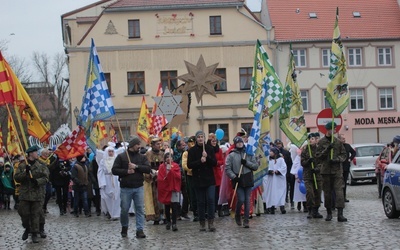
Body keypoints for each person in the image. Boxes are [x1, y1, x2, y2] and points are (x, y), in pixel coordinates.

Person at [112, 136, 151, 239]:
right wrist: (126, 171)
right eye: (138, 144)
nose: (139, 146)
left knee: (139, 209)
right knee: (124, 209)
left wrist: (136, 167)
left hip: (139, 187)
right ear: (132, 145)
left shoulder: (142, 157)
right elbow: (114, 170)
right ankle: (124, 227)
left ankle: (140, 230)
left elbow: (147, 169)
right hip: (126, 188)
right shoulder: (121, 157)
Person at [14, 145, 49, 243]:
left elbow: (46, 178)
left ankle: (35, 233)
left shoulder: (41, 165)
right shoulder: (22, 165)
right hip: (25, 194)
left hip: (37, 194)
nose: (37, 154)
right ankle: (27, 228)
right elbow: (16, 178)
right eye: (35, 152)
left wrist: (37, 181)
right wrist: (25, 172)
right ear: (30, 154)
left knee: (36, 214)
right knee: (23, 213)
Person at [315, 122, 348, 222]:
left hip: (337, 170)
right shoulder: (321, 142)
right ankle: (329, 212)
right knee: (327, 193)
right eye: (333, 129)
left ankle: (340, 213)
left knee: (339, 192)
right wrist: (327, 149)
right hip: (326, 171)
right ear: (328, 130)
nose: (334, 130)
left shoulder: (337, 142)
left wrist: (337, 160)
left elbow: (344, 155)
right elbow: (318, 156)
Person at [225, 136, 258, 228]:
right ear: (235, 144)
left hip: (248, 178)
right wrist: (234, 177)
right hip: (238, 179)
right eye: (238, 142)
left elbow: (255, 166)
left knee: (247, 200)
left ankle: (246, 220)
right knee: (241, 199)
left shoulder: (249, 154)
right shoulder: (231, 155)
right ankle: (237, 214)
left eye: (241, 142)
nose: (240, 144)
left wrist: (246, 163)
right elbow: (227, 168)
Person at [187, 130, 217, 232]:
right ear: (196, 138)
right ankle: (202, 223)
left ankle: (211, 222)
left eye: (202, 137)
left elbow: (214, 163)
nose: (200, 138)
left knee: (211, 200)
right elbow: (189, 165)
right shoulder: (192, 151)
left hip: (209, 179)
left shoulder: (209, 149)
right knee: (200, 202)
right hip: (198, 180)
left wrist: (207, 157)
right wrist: (200, 161)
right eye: (198, 137)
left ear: (204, 138)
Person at [301, 133, 323, 219]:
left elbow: (322, 162)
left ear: (316, 140)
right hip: (308, 175)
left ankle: (316, 210)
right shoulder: (305, 150)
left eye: (313, 139)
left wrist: (317, 169)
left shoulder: (319, 150)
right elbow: (302, 162)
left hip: (317, 175)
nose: (311, 140)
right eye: (309, 139)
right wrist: (308, 161)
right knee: (310, 193)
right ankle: (310, 210)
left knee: (317, 192)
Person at [157, 152, 181, 231]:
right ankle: (168, 221)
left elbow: (178, 176)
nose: (168, 158)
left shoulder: (176, 166)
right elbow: (160, 178)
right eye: (166, 157)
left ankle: (174, 223)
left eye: (170, 157)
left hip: (173, 188)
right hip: (166, 189)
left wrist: (171, 171)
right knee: (167, 207)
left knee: (174, 206)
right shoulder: (161, 167)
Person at [97, 146, 121, 220]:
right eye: (109, 151)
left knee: (116, 197)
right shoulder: (103, 161)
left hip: (116, 179)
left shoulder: (117, 160)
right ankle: (110, 212)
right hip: (107, 180)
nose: (111, 153)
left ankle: (116, 214)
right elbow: (100, 172)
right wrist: (102, 183)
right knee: (107, 197)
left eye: (112, 151)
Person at [144, 137, 164, 224]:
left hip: (162, 178)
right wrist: (152, 173)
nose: (159, 146)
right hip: (153, 179)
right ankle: (156, 217)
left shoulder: (162, 154)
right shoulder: (147, 154)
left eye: (160, 144)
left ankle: (165, 215)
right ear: (152, 145)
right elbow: (146, 166)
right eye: (157, 144)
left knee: (163, 197)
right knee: (154, 198)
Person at [262, 147, 287, 214]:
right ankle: (272, 207)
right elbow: (266, 167)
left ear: (275, 152)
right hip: (271, 180)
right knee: (272, 193)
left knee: (280, 192)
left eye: (271, 151)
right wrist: (270, 171)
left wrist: (278, 171)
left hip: (279, 180)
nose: (270, 152)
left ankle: (282, 206)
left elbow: (284, 168)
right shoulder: (269, 160)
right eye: (270, 151)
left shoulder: (281, 159)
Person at [207, 133, 225, 217]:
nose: (214, 142)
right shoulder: (207, 149)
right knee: (212, 193)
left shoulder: (219, 150)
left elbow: (222, 161)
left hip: (217, 173)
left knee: (219, 192)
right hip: (210, 172)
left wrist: (217, 163)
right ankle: (212, 209)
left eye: (215, 141)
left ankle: (219, 208)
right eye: (212, 141)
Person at [182, 136, 198, 221]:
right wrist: (193, 169)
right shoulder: (186, 153)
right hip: (191, 176)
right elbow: (185, 165)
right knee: (192, 194)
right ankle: (195, 211)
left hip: (200, 175)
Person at [274, 139, 294, 209]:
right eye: (277, 144)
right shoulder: (274, 153)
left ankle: (287, 200)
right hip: (277, 174)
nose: (278, 145)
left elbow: (289, 163)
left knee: (286, 187)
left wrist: (289, 172)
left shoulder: (286, 152)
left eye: (279, 144)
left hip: (286, 173)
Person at [338, 134, 356, 202]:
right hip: (338, 167)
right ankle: (339, 197)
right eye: (343, 139)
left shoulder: (347, 146)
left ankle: (344, 197)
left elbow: (353, 153)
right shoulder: (337, 146)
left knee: (344, 182)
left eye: (344, 139)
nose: (344, 140)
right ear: (339, 139)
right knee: (339, 183)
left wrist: (350, 159)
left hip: (346, 166)